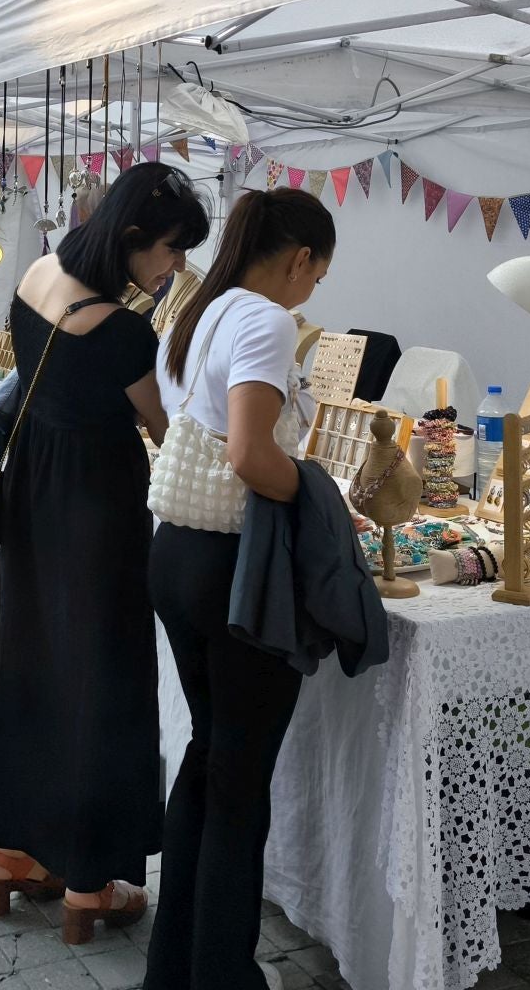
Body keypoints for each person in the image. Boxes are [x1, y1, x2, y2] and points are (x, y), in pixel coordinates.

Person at [0, 162, 211, 945]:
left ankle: (11, 857)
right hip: (99, 512)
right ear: (134, 239)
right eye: (170, 252)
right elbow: (166, 434)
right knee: (103, 683)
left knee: (30, 666)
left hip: (35, 498)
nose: (173, 269)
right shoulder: (124, 329)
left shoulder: (36, 274)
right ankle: (90, 884)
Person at [146, 188, 335, 990]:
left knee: (212, 755)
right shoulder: (265, 319)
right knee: (240, 780)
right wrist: (325, 497)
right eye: (317, 274)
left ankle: (178, 967)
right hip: (235, 566)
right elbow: (253, 458)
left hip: (180, 554)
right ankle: (223, 975)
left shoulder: (205, 308)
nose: (313, 290)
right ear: (299, 259)